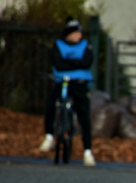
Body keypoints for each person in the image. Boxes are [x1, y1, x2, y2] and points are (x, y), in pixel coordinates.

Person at [39, 18, 96, 167]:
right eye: (76, 33)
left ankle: (88, 151)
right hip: (62, 81)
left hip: (80, 83)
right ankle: (49, 136)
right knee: (51, 105)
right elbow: (58, 64)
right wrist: (77, 64)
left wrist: (68, 63)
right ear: (68, 34)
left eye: (80, 33)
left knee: (84, 115)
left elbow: (87, 62)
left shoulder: (86, 45)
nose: (79, 36)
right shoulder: (58, 45)